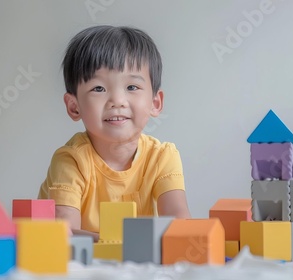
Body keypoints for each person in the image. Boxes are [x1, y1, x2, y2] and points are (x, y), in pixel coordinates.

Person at [39, 25, 191, 242]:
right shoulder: (71, 160)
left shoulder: (162, 156)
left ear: (155, 103)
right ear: (74, 106)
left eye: (132, 87)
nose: (117, 101)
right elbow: (65, 233)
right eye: (99, 88)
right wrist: (120, 244)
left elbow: (179, 222)